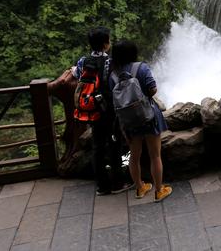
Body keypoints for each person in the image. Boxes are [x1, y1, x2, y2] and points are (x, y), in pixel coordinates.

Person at [109, 40, 173, 202]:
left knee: (134, 156)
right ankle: (159, 190)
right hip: (148, 117)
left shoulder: (113, 75)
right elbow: (152, 89)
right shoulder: (141, 68)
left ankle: (140, 187)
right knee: (155, 155)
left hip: (129, 121)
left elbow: (114, 97)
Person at [73, 27, 131, 196]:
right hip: (110, 111)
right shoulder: (111, 62)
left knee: (97, 147)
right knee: (114, 145)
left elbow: (77, 75)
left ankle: (101, 186)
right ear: (106, 44)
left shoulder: (84, 61)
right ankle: (117, 183)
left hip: (93, 111)